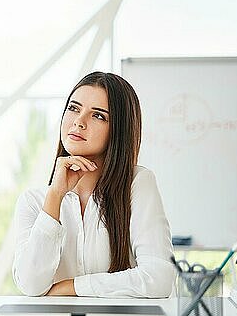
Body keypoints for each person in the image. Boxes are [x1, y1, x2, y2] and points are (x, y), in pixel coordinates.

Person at [12, 71, 175, 298]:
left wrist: (71, 288)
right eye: (74, 108)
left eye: (98, 116)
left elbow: (159, 278)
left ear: (118, 130)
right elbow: (30, 285)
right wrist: (55, 196)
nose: (79, 121)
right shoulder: (34, 201)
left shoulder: (137, 183)